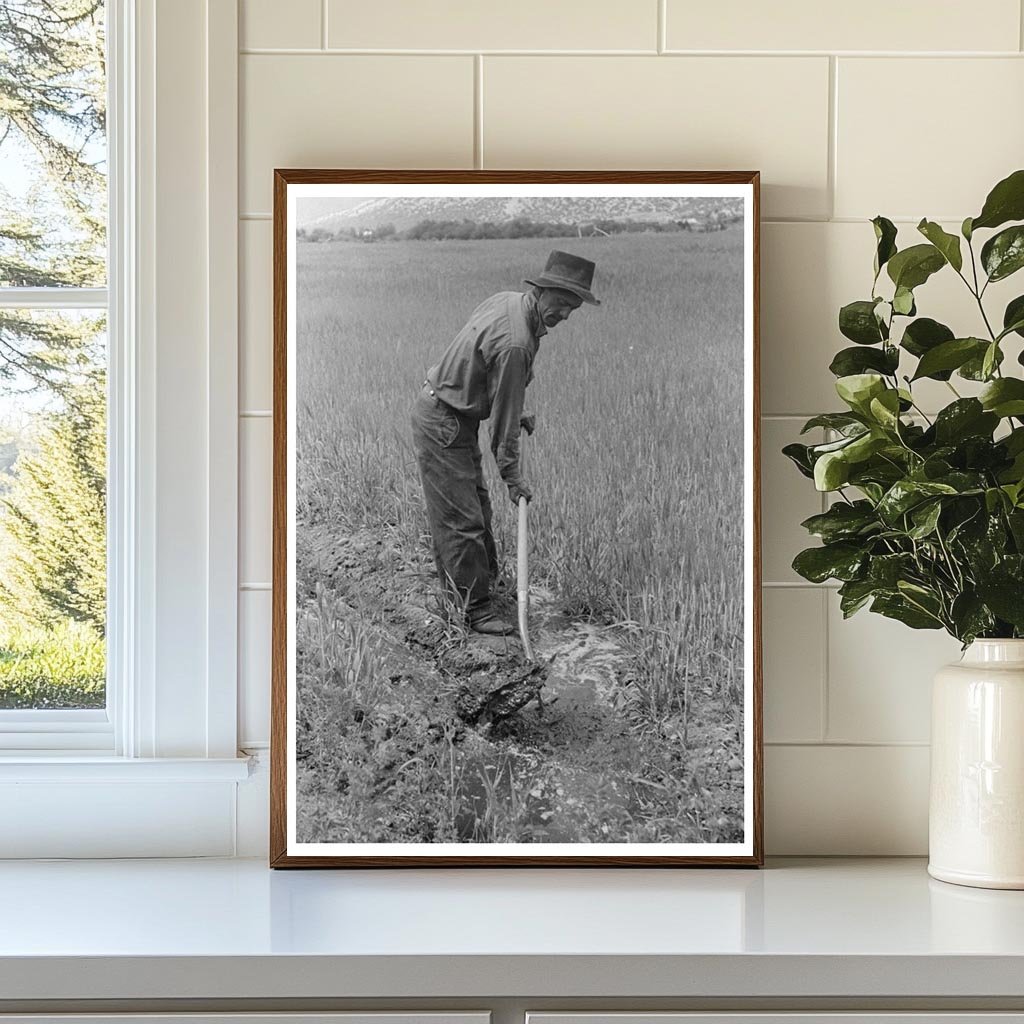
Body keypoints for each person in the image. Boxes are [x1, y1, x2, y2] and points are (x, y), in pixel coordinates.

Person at [411, 250, 601, 635]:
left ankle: (482, 590)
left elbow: (486, 369)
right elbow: (502, 423)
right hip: (443, 420)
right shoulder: (517, 341)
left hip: (453, 413)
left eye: (572, 309)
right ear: (543, 291)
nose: (564, 315)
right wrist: (513, 478)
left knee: (476, 510)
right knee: (462, 519)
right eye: (562, 303)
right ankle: (473, 610)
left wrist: (514, 408)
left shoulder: (508, 301)